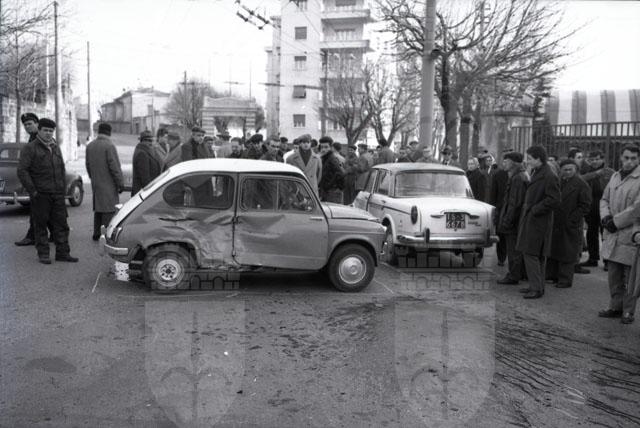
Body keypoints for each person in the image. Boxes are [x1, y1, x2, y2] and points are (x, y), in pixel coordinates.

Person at [17, 118, 78, 264]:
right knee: (41, 225)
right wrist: (33, 191)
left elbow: (61, 168)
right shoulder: (30, 148)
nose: (48, 133)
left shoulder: (55, 147)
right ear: (39, 130)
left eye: (51, 131)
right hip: (41, 194)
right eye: (45, 130)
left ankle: (63, 253)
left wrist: (62, 189)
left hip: (57, 193)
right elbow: (22, 171)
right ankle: (43, 254)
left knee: (61, 225)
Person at [598, 144, 640, 324]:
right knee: (614, 274)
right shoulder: (615, 176)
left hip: (630, 232)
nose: (629, 161)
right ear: (621, 158)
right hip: (613, 233)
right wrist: (606, 216)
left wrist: (615, 222)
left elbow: (637, 208)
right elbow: (604, 199)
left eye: (633, 158)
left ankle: (628, 311)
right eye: (626, 157)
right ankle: (615, 306)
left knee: (630, 277)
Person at [516, 145, 561, 299]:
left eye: (530, 159)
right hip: (534, 219)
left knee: (531, 253)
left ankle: (536, 288)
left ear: (538, 158)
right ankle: (537, 286)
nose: (528, 161)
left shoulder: (548, 175)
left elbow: (554, 199)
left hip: (538, 220)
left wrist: (535, 209)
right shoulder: (538, 172)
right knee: (535, 254)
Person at [545, 159, 592, 288]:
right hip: (557, 221)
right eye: (565, 170)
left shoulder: (581, 184)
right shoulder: (560, 182)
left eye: (570, 169)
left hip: (570, 223)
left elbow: (585, 205)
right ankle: (553, 275)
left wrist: (572, 219)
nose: (567, 172)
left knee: (568, 252)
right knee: (555, 250)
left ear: (575, 170)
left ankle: (565, 279)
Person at [14, 112, 53, 247]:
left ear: (37, 124)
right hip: (36, 180)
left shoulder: (43, 138)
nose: (27, 127)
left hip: (43, 180)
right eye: (25, 125)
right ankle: (55, 234)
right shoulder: (33, 138)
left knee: (37, 210)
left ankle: (32, 236)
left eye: (30, 124)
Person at [85, 123, 124, 241]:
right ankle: (107, 234)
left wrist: (93, 177)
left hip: (96, 182)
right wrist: (120, 183)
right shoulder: (109, 146)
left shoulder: (90, 146)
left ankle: (96, 232)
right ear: (109, 132)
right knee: (109, 209)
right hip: (108, 183)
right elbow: (114, 167)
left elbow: (88, 165)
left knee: (98, 208)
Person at [497, 152, 529, 285]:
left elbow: (514, 203)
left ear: (514, 163)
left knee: (513, 249)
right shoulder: (520, 175)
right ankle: (519, 273)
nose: (503, 163)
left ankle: (514, 275)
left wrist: (507, 220)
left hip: (514, 221)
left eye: (506, 161)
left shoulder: (517, 178)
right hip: (518, 219)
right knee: (516, 248)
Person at [579, 150, 615, 267]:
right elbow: (579, 179)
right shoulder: (587, 171)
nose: (594, 161)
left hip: (605, 206)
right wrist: (595, 174)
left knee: (605, 233)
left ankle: (607, 261)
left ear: (602, 159)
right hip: (591, 205)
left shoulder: (610, 172)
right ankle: (593, 258)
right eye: (592, 159)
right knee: (591, 233)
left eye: (597, 159)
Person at [490, 148, 512, 266]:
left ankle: (510, 257)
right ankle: (501, 258)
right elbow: (493, 193)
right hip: (501, 208)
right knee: (501, 235)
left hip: (513, 208)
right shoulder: (498, 175)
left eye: (507, 161)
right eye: (504, 161)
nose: (505, 163)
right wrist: (494, 209)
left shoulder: (517, 175)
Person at [131, 130, 163, 195]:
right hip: (143, 192)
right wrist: (150, 192)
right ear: (144, 141)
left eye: (151, 141)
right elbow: (145, 178)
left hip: (146, 191)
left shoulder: (147, 151)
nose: (151, 143)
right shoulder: (142, 153)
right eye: (149, 141)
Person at [318, 136, 345, 203]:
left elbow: (341, 174)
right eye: (322, 147)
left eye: (326, 147)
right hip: (327, 192)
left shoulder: (332, 159)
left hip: (332, 193)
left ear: (331, 147)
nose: (323, 149)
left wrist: (329, 185)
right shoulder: (325, 158)